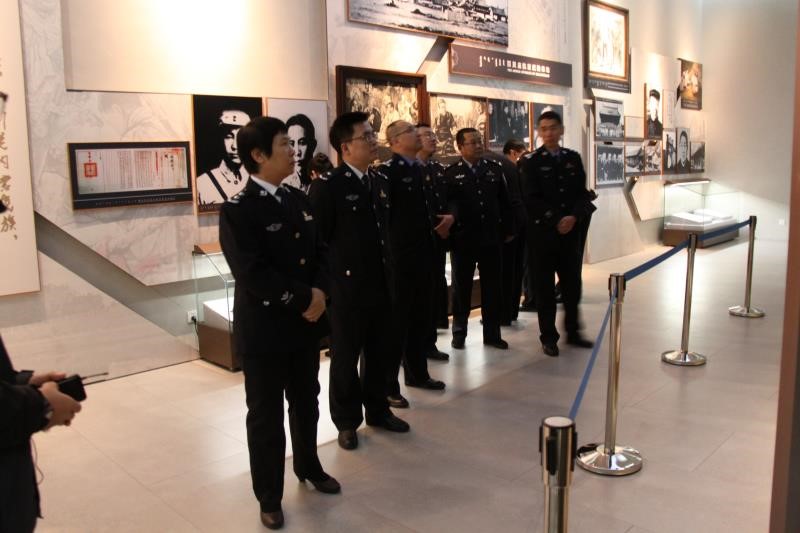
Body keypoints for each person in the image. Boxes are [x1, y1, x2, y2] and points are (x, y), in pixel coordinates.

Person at [218, 116, 339, 530]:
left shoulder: (298, 199)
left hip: (304, 325)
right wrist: (306, 299)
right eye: (284, 144)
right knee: (266, 416)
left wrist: (321, 292)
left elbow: (322, 251)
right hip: (266, 330)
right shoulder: (238, 210)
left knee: (307, 402)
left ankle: (309, 465)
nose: (293, 151)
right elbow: (252, 273)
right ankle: (269, 495)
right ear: (258, 155)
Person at [308, 112, 409, 451]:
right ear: (345, 147)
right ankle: (347, 421)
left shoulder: (378, 180)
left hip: (381, 283)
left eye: (371, 134)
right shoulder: (328, 187)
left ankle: (378, 410)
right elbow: (319, 242)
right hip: (346, 289)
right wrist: (326, 287)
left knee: (380, 352)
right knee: (345, 357)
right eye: (365, 137)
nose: (372, 141)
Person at [372, 120, 447, 406]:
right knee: (396, 326)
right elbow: (385, 219)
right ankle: (388, 386)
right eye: (410, 132)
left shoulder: (423, 169)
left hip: (425, 256)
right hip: (400, 261)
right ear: (394, 141)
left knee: (420, 319)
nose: (417, 135)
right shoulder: (387, 172)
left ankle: (418, 373)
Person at [518, 111, 597, 357]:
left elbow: (581, 194)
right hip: (543, 234)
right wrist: (556, 219)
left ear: (561, 130)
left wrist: (573, 217)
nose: (549, 133)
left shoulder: (572, 158)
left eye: (553, 128)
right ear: (539, 132)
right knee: (544, 288)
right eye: (544, 129)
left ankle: (573, 332)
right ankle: (548, 337)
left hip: (570, 233)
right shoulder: (531, 161)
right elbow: (530, 198)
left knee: (572, 285)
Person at [443, 128, 513, 350]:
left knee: (492, 287)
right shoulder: (451, 173)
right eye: (472, 142)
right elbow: (447, 205)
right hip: (463, 240)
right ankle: (459, 332)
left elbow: (505, 202)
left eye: (479, 141)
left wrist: (508, 228)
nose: (478, 145)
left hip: (490, 238)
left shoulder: (494, 169)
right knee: (461, 288)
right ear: (460, 147)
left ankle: (492, 333)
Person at [415, 123, 455, 359]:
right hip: (416, 244)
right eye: (426, 135)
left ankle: (429, 344)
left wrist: (451, 217)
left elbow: (451, 199)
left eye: (432, 134)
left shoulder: (438, 169)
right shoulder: (406, 170)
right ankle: (413, 349)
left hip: (438, 241)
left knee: (432, 294)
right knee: (416, 298)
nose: (432, 138)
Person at [482, 139, 528, 325]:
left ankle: (501, 314)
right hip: (517, 223)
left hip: (504, 227)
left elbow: (507, 201)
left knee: (501, 272)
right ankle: (510, 312)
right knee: (513, 270)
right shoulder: (508, 165)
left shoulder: (492, 166)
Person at [196, 109, 252, 209]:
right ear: (219, 139)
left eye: (241, 137)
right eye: (229, 137)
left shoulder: (257, 179)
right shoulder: (202, 184)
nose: (235, 146)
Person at [282, 114, 318, 193]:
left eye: (302, 143)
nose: (297, 151)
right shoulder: (281, 184)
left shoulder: (323, 181)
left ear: (313, 145)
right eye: (291, 143)